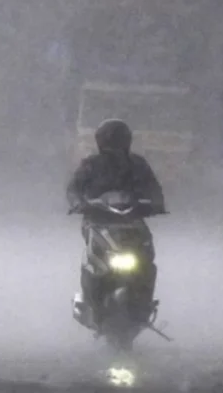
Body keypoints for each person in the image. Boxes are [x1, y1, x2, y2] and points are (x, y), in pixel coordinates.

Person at [66, 118, 166, 326]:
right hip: (98, 221)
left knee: (147, 256)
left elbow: (154, 188)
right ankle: (92, 301)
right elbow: (74, 188)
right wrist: (79, 204)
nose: (114, 145)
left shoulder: (138, 165)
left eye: (118, 140)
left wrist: (156, 204)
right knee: (93, 259)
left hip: (132, 222)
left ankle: (144, 302)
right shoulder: (91, 165)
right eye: (111, 141)